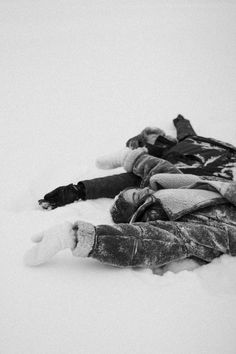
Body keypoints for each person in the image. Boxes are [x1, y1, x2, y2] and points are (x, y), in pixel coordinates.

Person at [25, 150, 236, 271]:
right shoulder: (170, 221)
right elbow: (144, 242)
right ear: (135, 210)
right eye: (136, 195)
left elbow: (160, 169)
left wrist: (130, 159)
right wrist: (76, 237)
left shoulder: (172, 190)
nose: (144, 189)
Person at [38, 115, 236, 210]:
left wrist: (180, 120)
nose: (159, 137)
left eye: (159, 134)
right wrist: (78, 190)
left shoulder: (189, 139)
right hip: (222, 182)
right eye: (152, 139)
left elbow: (186, 129)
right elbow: (124, 181)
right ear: (147, 147)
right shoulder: (163, 164)